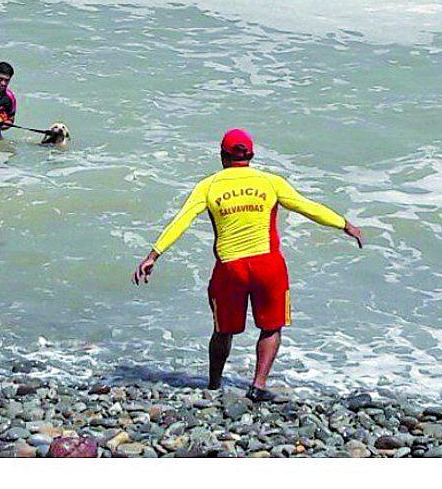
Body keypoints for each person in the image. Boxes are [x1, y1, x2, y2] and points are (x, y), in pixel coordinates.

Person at [132, 129, 365, 400]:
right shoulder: (270, 182)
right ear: (251, 156)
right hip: (268, 265)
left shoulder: (208, 186)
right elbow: (307, 207)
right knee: (271, 326)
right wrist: (344, 224)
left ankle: (214, 385)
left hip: (230, 268)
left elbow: (182, 220)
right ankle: (259, 385)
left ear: (222, 156)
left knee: (223, 330)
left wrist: (154, 255)